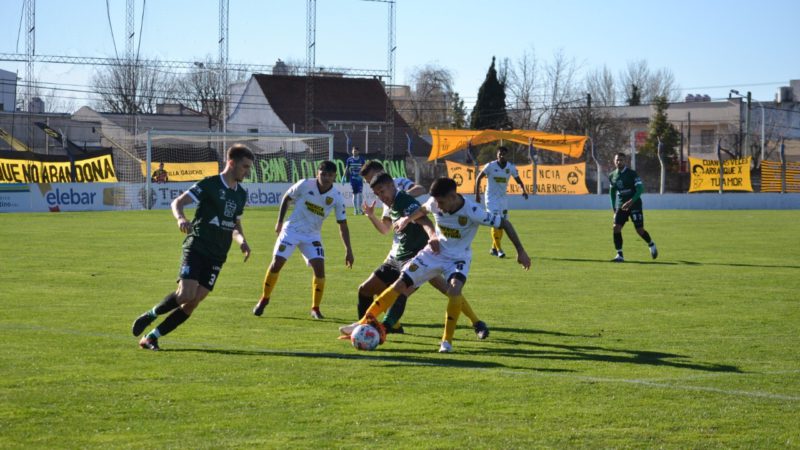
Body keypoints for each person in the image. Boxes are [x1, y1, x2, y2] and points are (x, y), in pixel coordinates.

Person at [341, 177, 531, 353]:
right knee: (400, 284)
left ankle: (446, 342)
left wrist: (520, 251)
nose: (438, 207)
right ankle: (362, 323)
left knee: (454, 290)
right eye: (436, 202)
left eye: (441, 202)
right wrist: (407, 219)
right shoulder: (434, 203)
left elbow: (504, 223)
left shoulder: (473, 212)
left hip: (458, 258)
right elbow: (422, 210)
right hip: (433, 253)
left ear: (453, 196)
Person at [132, 145, 254, 351]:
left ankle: (151, 338)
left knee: (193, 302)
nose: (247, 172)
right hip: (197, 246)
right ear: (231, 163)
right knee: (186, 294)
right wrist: (181, 218)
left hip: (217, 255)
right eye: (245, 167)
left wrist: (242, 241)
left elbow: (233, 223)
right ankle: (150, 315)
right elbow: (177, 202)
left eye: (249, 167)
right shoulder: (210, 185)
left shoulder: (240, 194)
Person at [358, 173, 490, 338]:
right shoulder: (390, 204)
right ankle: (378, 327)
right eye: (376, 193)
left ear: (390, 184)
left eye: (381, 191)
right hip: (401, 256)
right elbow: (386, 229)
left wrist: (432, 235)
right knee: (449, 291)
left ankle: (381, 328)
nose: (380, 195)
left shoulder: (403, 200)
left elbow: (424, 219)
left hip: (420, 256)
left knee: (413, 291)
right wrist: (371, 216)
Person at [253, 160, 353, 319]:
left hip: (312, 235)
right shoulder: (305, 184)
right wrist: (279, 222)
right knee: (276, 263)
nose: (326, 178)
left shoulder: (337, 197)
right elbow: (287, 198)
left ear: (334, 177)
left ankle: (315, 308)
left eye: (330, 175)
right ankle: (264, 299)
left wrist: (348, 250)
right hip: (291, 230)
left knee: (320, 269)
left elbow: (342, 224)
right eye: (323, 174)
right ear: (317, 174)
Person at [475, 146, 528, 258]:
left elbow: (518, 180)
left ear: (506, 155)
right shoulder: (490, 166)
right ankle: (499, 250)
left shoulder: (511, 167)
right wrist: (477, 195)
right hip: (491, 198)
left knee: (502, 223)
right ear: (497, 155)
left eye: (504, 154)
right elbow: (478, 178)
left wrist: (523, 189)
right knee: (495, 221)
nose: (502, 156)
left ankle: (494, 248)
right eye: (500, 154)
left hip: (502, 199)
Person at [609, 152, 658, 262]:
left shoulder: (632, 174)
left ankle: (651, 244)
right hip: (621, 205)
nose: (619, 162)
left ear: (625, 161)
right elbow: (612, 191)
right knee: (616, 228)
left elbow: (640, 189)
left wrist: (631, 201)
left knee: (639, 230)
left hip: (635, 204)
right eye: (617, 160)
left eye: (621, 160)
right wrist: (613, 207)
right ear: (614, 161)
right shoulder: (612, 175)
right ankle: (619, 254)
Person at [359, 160, 427, 198]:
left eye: (373, 179)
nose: (372, 184)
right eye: (369, 182)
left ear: (382, 172)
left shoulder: (398, 182)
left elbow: (421, 189)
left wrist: (400, 197)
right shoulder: (379, 194)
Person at [344, 146, 366, 215]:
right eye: (353, 151)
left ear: (358, 152)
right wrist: (343, 176)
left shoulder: (362, 159)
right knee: (354, 194)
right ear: (352, 151)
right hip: (353, 180)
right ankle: (355, 210)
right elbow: (347, 168)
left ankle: (360, 209)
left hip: (359, 180)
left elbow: (364, 169)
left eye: (356, 151)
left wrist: (364, 177)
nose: (354, 152)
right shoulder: (349, 159)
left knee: (360, 194)